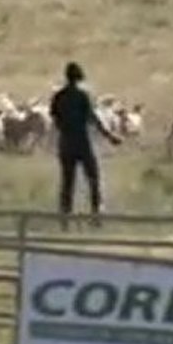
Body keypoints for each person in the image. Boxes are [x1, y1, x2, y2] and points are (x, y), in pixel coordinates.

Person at [49, 62, 122, 229]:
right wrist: (110, 136)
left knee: (67, 182)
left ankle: (64, 219)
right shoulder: (82, 95)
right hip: (82, 142)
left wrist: (64, 130)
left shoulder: (59, 96)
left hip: (65, 143)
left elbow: (54, 118)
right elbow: (93, 119)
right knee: (93, 178)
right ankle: (96, 216)